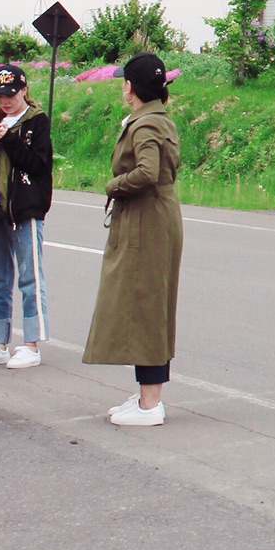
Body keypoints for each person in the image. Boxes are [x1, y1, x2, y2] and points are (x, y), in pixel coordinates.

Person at [85, 53, 183, 427]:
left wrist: (114, 186)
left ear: (132, 87)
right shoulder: (156, 118)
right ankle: (146, 393)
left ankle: (151, 402)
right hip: (153, 217)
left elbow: (147, 172)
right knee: (145, 302)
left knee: (146, 305)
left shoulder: (146, 124)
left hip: (148, 221)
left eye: (124, 80)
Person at [0, 63, 53, 369]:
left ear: (24, 90)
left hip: (25, 209)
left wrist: (7, 139)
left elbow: (37, 165)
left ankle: (31, 343)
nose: (4, 101)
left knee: (30, 277)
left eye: (10, 94)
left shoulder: (37, 121)